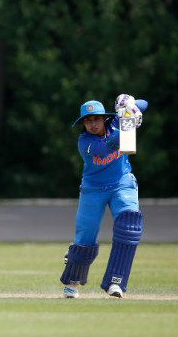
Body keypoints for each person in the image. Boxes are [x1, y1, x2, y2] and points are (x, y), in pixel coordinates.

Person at [60, 94, 148, 299]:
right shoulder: (85, 142)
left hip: (122, 183)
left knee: (129, 225)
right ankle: (72, 282)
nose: (93, 124)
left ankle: (116, 282)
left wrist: (129, 106)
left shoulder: (116, 122)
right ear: (83, 124)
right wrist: (129, 124)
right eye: (88, 121)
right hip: (93, 189)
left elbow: (144, 104)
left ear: (105, 118)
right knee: (85, 239)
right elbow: (107, 147)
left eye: (96, 119)